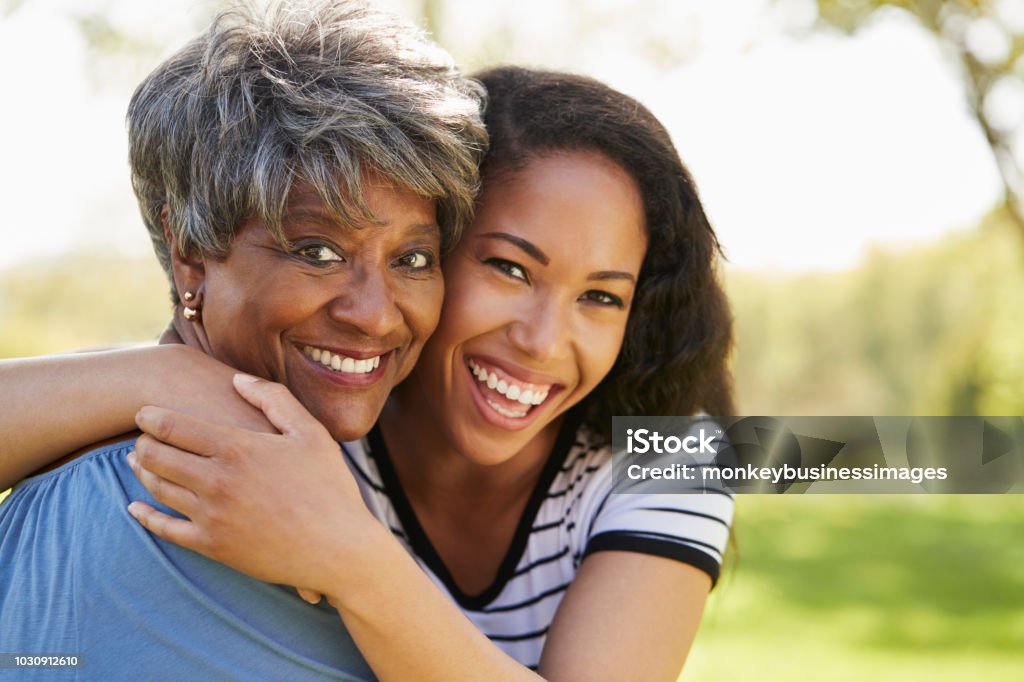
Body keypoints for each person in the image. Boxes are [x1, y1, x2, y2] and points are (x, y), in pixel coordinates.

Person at [2, 63, 735, 679]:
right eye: (509, 268)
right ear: (434, 254)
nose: (544, 342)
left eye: (601, 296)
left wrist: (349, 558)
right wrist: (167, 378)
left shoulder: (682, 454)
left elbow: (838, 453)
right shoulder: (336, 393)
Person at [0, 1, 486, 679]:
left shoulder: (316, 473)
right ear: (190, 250)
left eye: (411, 259)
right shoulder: (151, 506)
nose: (377, 316)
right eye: (317, 251)